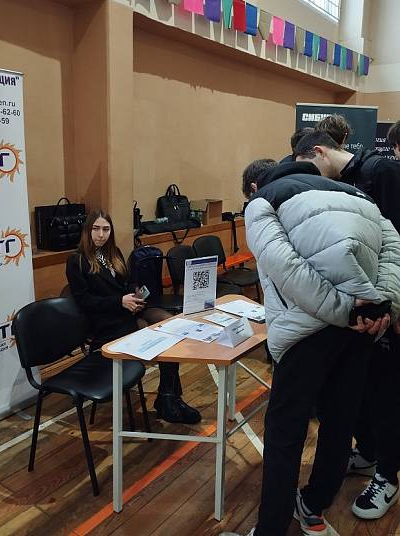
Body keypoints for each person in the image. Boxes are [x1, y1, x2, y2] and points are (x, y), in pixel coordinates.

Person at [238, 160, 400, 536]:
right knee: (340, 420)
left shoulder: (263, 201)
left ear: (256, 185)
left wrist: (345, 309)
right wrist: (383, 308)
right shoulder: (359, 195)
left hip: (306, 333)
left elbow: (286, 269)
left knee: (285, 432)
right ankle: (313, 504)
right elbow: (394, 250)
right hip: (361, 329)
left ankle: (271, 528)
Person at [295, 130, 400, 520]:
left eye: (306, 167)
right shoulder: (346, 183)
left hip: (389, 310)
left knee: (387, 396)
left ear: (319, 152)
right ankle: (370, 453)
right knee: (362, 392)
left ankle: (387, 476)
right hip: (362, 315)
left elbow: (394, 247)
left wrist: (393, 307)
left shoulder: (381, 172)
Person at [66, 209, 201, 425]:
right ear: (87, 230)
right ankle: (168, 400)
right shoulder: (77, 260)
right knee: (163, 339)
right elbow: (85, 301)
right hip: (105, 322)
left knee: (171, 327)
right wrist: (119, 301)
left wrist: (135, 293)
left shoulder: (114, 253)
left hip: (127, 310)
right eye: (96, 229)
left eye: (106, 229)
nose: (101, 234)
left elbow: (126, 282)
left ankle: (170, 397)